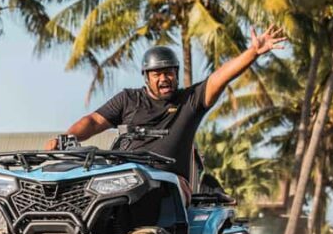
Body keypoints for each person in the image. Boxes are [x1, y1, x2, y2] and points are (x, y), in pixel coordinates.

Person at [44, 25, 287, 203]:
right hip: (124, 180)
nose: (164, 78)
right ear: (146, 77)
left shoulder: (190, 101)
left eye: (169, 72)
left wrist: (253, 52)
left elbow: (219, 77)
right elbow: (93, 121)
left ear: (176, 74)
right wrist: (67, 138)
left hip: (171, 186)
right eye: (157, 74)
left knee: (155, 194)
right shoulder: (129, 99)